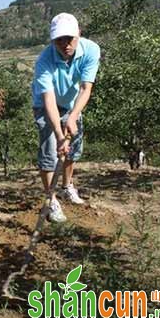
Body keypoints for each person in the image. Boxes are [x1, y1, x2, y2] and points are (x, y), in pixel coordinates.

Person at [32, 13, 100, 223]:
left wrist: (73, 116)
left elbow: (86, 87)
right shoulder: (44, 60)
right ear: (53, 40)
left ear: (79, 34)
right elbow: (49, 99)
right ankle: (51, 199)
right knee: (50, 153)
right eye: (59, 39)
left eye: (69, 38)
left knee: (73, 150)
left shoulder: (91, 50)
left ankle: (66, 186)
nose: (65, 44)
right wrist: (60, 134)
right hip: (46, 106)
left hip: (72, 104)